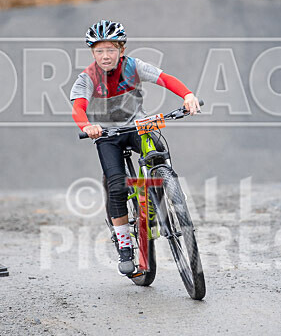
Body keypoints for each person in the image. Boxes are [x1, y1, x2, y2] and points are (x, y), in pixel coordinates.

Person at [70, 19, 200, 274]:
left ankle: (169, 188)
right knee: (117, 186)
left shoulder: (133, 67)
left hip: (136, 126)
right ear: (92, 53)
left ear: (122, 50)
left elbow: (165, 79)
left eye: (110, 50)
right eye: (99, 51)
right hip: (107, 135)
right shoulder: (88, 78)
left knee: (157, 149)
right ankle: (125, 244)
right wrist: (87, 126)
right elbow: (78, 107)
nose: (105, 56)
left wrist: (187, 95)